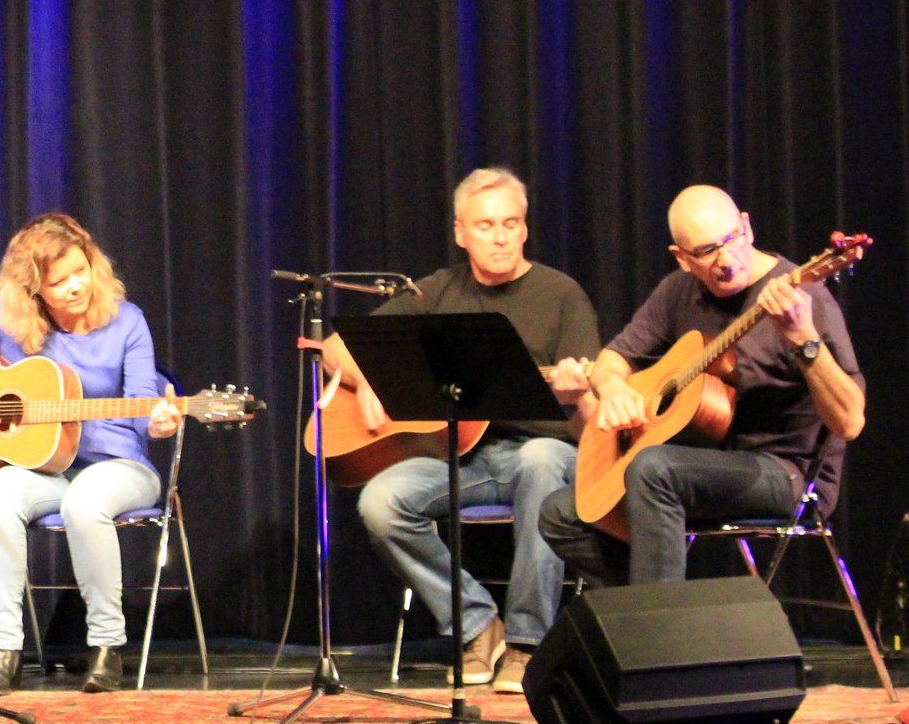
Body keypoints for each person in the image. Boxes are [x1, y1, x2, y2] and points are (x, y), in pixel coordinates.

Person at [318, 168, 599, 693]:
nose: (500, 237)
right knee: (380, 502)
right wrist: (368, 380)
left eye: (510, 224)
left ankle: (527, 643)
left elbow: (590, 417)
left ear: (525, 229)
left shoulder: (562, 294)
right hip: (456, 455)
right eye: (486, 225)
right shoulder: (436, 291)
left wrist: (577, 390)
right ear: (460, 233)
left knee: (541, 460)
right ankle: (477, 624)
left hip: (541, 452)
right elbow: (334, 348)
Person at [0, 213, 180, 695]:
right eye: (58, 281)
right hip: (47, 469)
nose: (76, 286)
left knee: (85, 502)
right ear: (33, 291)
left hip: (121, 467)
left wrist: (157, 422)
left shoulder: (127, 321)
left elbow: (142, 405)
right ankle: (5, 651)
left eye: (81, 271)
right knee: (0, 493)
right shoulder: (7, 318)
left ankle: (107, 647)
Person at [538, 184, 865, 589]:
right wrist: (613, 388)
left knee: (653, 468)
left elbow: (850, 422)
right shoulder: (678, 291)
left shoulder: (804, 295)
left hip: (784, 472)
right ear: (682, 258)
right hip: (696, 464)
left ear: (747, 226)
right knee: (561, 511)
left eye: (732, 239)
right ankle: (645, 609)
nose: (726, 260)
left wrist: (804, 340)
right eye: (707, 251)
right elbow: (613, 358)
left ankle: (658, 618)